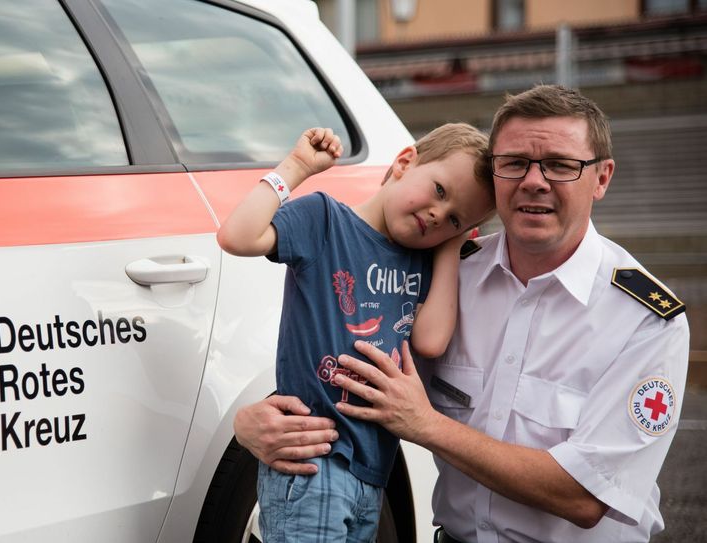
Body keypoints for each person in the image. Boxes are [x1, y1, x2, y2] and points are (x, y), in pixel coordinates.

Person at [233, 85, 690, 543]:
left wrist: (427, 425)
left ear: (602, 177)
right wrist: (255, 423)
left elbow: (585, 498)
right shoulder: (445, 277)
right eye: (514, 163)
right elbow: (349, 355)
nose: (534, 181)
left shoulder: (645, 321)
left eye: (560, 165)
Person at [217, 124, 495, 541]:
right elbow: (236, 236)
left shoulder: (421, 261)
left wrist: (450, 247)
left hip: (371, 471)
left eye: (454, 218)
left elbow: (430, 341)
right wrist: (294, 168)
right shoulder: (325, 220)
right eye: (439, 190)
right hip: (313, 460)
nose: (440, 214)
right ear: (404, 163)